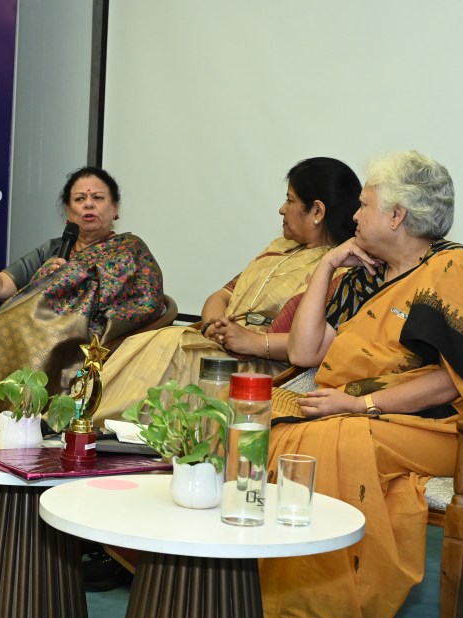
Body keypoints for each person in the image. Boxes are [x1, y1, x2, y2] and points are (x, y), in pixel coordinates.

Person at [260, 151, 463, 618]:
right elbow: (303, 352)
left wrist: (360, 404)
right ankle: (250, 591)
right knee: (253, 419)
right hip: (362, 408)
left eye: (365, 204)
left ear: (397, 215)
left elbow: (454, 378)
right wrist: (327, 267)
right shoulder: (363, 275)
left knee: (324, 441)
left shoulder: (453, 269)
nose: (354, 215)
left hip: (441, 424)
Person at [0, 166, 166, 539]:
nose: (88, 205)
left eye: (98, 198)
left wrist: (73, 285)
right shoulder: (54, 248)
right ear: (68, 210)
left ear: (115, 209)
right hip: (18, 334)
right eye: (79, 199)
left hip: (73, 347)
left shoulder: (131, 250)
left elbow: (145, 302)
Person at [91, 157, 361, 424]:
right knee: (152, 340)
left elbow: (317, 344)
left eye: (290, 200)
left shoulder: (341, 269)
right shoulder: (279, 249)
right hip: (224, 346)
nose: (281, 209)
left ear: (317, 212)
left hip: (262, 367)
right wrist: (214, 326)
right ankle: (89, 417)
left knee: (174, 347)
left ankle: (98, 423)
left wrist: (252, 341)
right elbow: (222, 295)